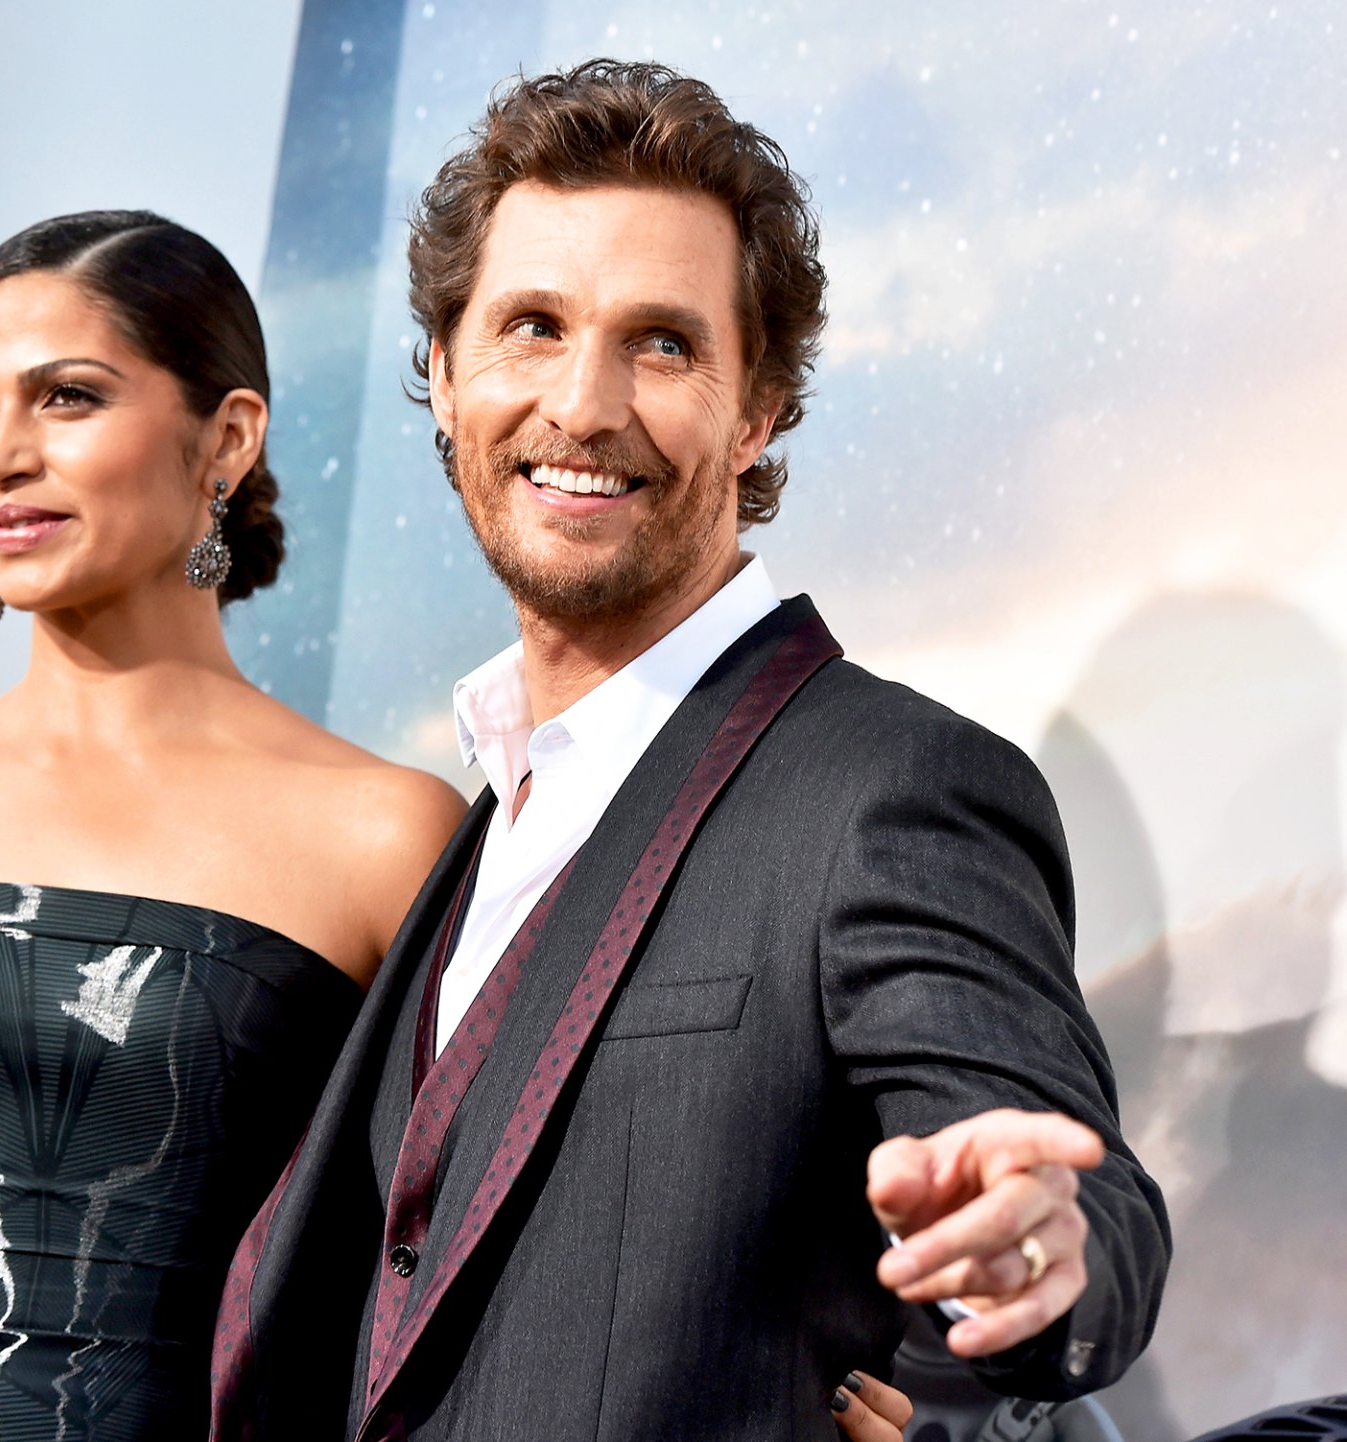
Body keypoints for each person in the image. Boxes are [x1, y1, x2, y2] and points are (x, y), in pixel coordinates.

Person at [0, 210, 911, 1442]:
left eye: (68, 397)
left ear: (228, 437)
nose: (4, 455)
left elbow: (536, 1236)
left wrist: (786, 1379)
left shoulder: (388, 836)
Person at [208, 60, 1172, 1442]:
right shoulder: (482, 821)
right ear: (445, 373)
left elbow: (1074, 1203)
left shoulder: (888, 788)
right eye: (530, 325)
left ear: (756, 408)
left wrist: (1036, 1244)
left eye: (659, 343)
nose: (581, 402)